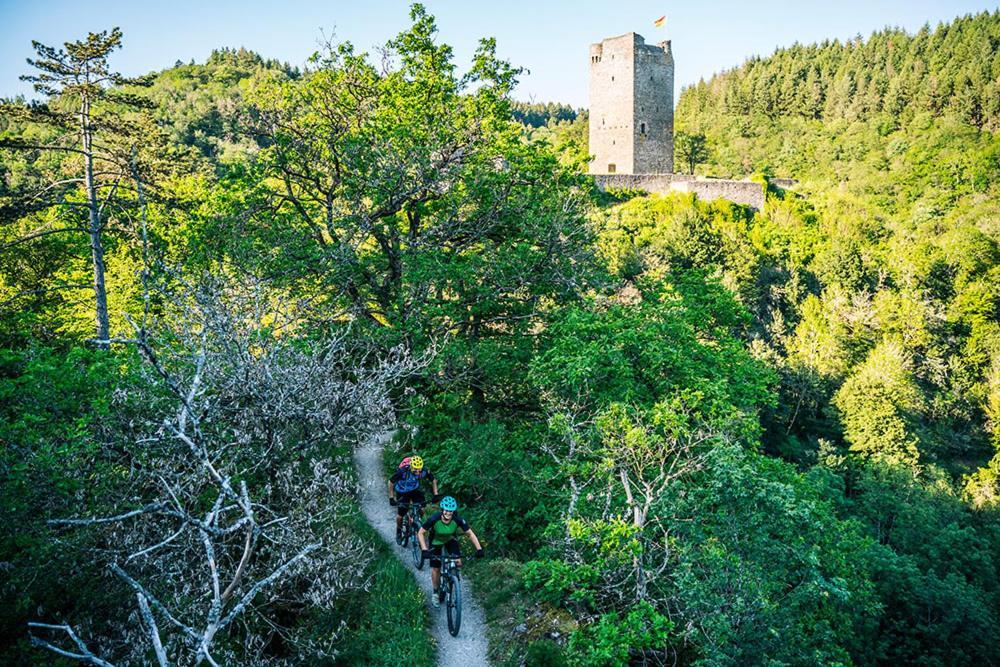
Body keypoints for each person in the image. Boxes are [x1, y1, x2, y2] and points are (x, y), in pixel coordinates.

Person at [418, 496, 484, 608]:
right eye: (446, 510)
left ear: (454, 511)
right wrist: (424, 550)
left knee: (458, 562)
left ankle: (453, 579)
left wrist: (479, 549)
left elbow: (470, 534)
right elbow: (420, 533)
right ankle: (435, 592)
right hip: (436, 541)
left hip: (450, 540)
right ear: (442, 510)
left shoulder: (458, 520)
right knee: (436, 568)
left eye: (451, 511)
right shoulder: (434, 519)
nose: (448, 513)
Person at [388, 455, 438, 542]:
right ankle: (398, 531)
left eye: (419, 469)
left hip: (414, 489)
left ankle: (418, 522)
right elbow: (390, 482)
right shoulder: (403, 471)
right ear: (411, 467)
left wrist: (436, 494)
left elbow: (433, 480)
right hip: (402, 491)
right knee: (400, 515)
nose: (418, 471)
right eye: (415, 469)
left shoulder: (424, 470)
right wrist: (391, 498)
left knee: (421, 508)